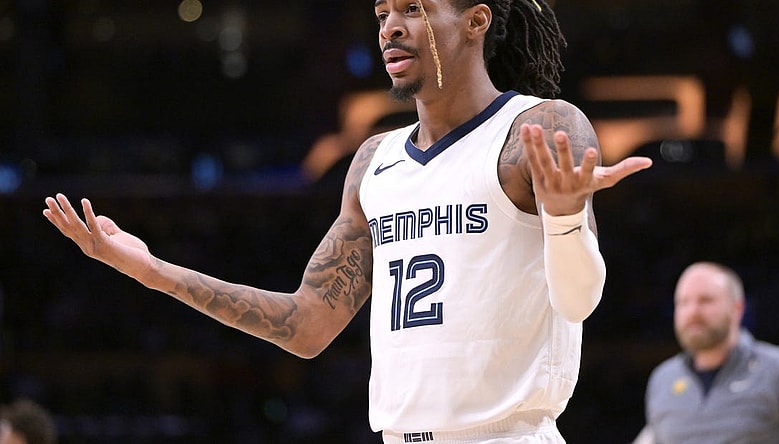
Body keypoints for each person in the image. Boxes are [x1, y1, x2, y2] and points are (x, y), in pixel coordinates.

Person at [42, 0, 652, 442]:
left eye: (413, 7)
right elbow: (307, 326)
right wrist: (155, 273)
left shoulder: (537, 129)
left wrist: (568, 220)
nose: (390, 26)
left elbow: (577, 300)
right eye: (382, 11)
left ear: (476, 20)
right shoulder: (374, 161)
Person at [635, 262, 779, 444]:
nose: (693, 312)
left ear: (737, 308)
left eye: (705, 300)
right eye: (683, 302)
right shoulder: (663, 379)